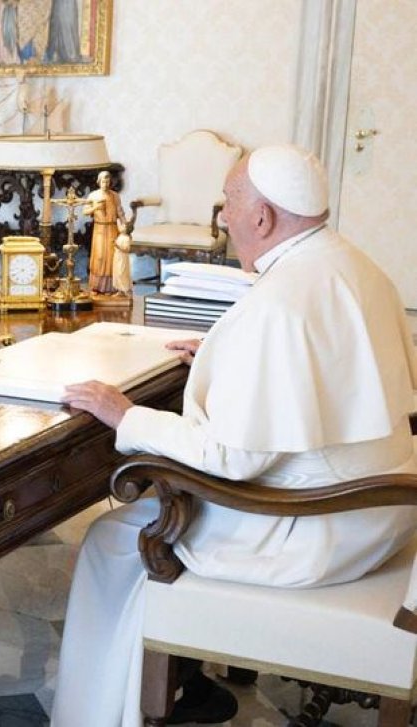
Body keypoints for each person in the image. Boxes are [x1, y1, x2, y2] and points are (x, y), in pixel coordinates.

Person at [53, 145, 417, 726]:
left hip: (314, 531)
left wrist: (125, 416)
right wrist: (228, 358)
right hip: (380, 514)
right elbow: (336, 368)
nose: (223, 217)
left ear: (263, 217)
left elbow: (231, 460)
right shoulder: (354, 265)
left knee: (115, 536)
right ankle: (188, 684)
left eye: (228, 204)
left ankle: (98, 714)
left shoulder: (281, 301)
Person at [84, 170, 127, 295]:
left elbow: (120, 211)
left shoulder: (115, 195)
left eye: (108, 181)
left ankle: (111, 287)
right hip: (99, 229)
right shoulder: (93, 195)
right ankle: (96, 286)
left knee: (112, 257)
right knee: (99, 256)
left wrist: (125, 224)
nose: (105, 183)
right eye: (103, 181)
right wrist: (95, 208)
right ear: (99, 182)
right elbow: (85, 211)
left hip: (112, 228)